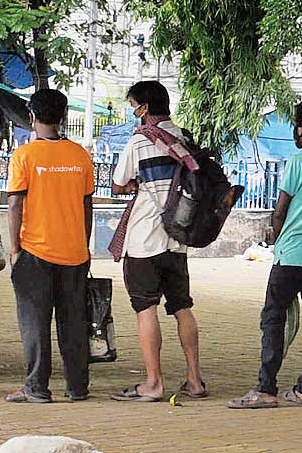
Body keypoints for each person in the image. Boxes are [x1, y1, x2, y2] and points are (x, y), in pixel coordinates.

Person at [230, 99, 302, 411]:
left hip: (292, 252)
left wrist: (277, 241)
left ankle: (267, 388)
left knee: (273, 317)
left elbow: (280, 210)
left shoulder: (299, 161)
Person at [108, 81, 213, 402]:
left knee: (145, 308)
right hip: (177, 240)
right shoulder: (184, 139)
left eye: (133, 106)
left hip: (143, 239)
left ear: (144, 108)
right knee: (182, 307)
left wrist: (138, 187)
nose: (132, 113)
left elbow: (117, 184)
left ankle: (153, 382)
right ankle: (195, 379)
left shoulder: (140, 141)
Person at [6, 87, 96, 404]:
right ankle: (78, 387)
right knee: (73, 321)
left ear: (31, 117)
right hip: (74, 252)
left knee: (35, 322)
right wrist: (83, 247)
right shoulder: (80, 155)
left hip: (35, 251)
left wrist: (14, 249)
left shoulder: (24, 156)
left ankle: (37, 388)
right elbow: (88, 206)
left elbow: (15, 204)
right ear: (63, 117)